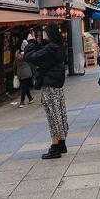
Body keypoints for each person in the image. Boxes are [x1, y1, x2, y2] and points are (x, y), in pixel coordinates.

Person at [23, 23, 69, 160]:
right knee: (59, 113)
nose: (44, 35)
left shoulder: (51, 48)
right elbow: (42, 52)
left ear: (50, 33)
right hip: (58, 86)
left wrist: (30, 43)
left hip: (49, 86)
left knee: (52, 115)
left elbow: (31, 57)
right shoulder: (59, 47)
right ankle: (62, 143)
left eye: (45, 33)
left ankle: (55, 147)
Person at [13, 39, 34, 108]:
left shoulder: (16, 56)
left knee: (24, 86)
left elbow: (14, 66)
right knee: (24, 87)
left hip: (20, 73)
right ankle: (22, 102)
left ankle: (30, 98)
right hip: (27, 72)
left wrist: (15, 73)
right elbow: (30, 63)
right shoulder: (26, 54)